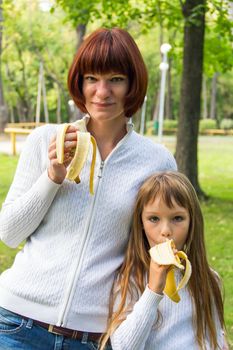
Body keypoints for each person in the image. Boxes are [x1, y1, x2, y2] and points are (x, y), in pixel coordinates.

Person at [0, 28, 177, 349]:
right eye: (92, 78)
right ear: (79, 82)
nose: (102, 92)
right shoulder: (45, 140)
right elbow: (10, 234)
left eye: (116, 79)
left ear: (133, 84)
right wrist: (53, 176)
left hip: (95, 336)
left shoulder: (156, 161)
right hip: (16, 323)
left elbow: (166, 246)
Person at [100, 171, 228, 350]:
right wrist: (153, 290)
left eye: (177, 218)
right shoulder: (130, 279)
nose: (166, 230)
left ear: (192, 222)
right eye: (154, 219)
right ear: (141, 224)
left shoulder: (208, 279)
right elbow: (123, 347)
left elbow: (215, 338)